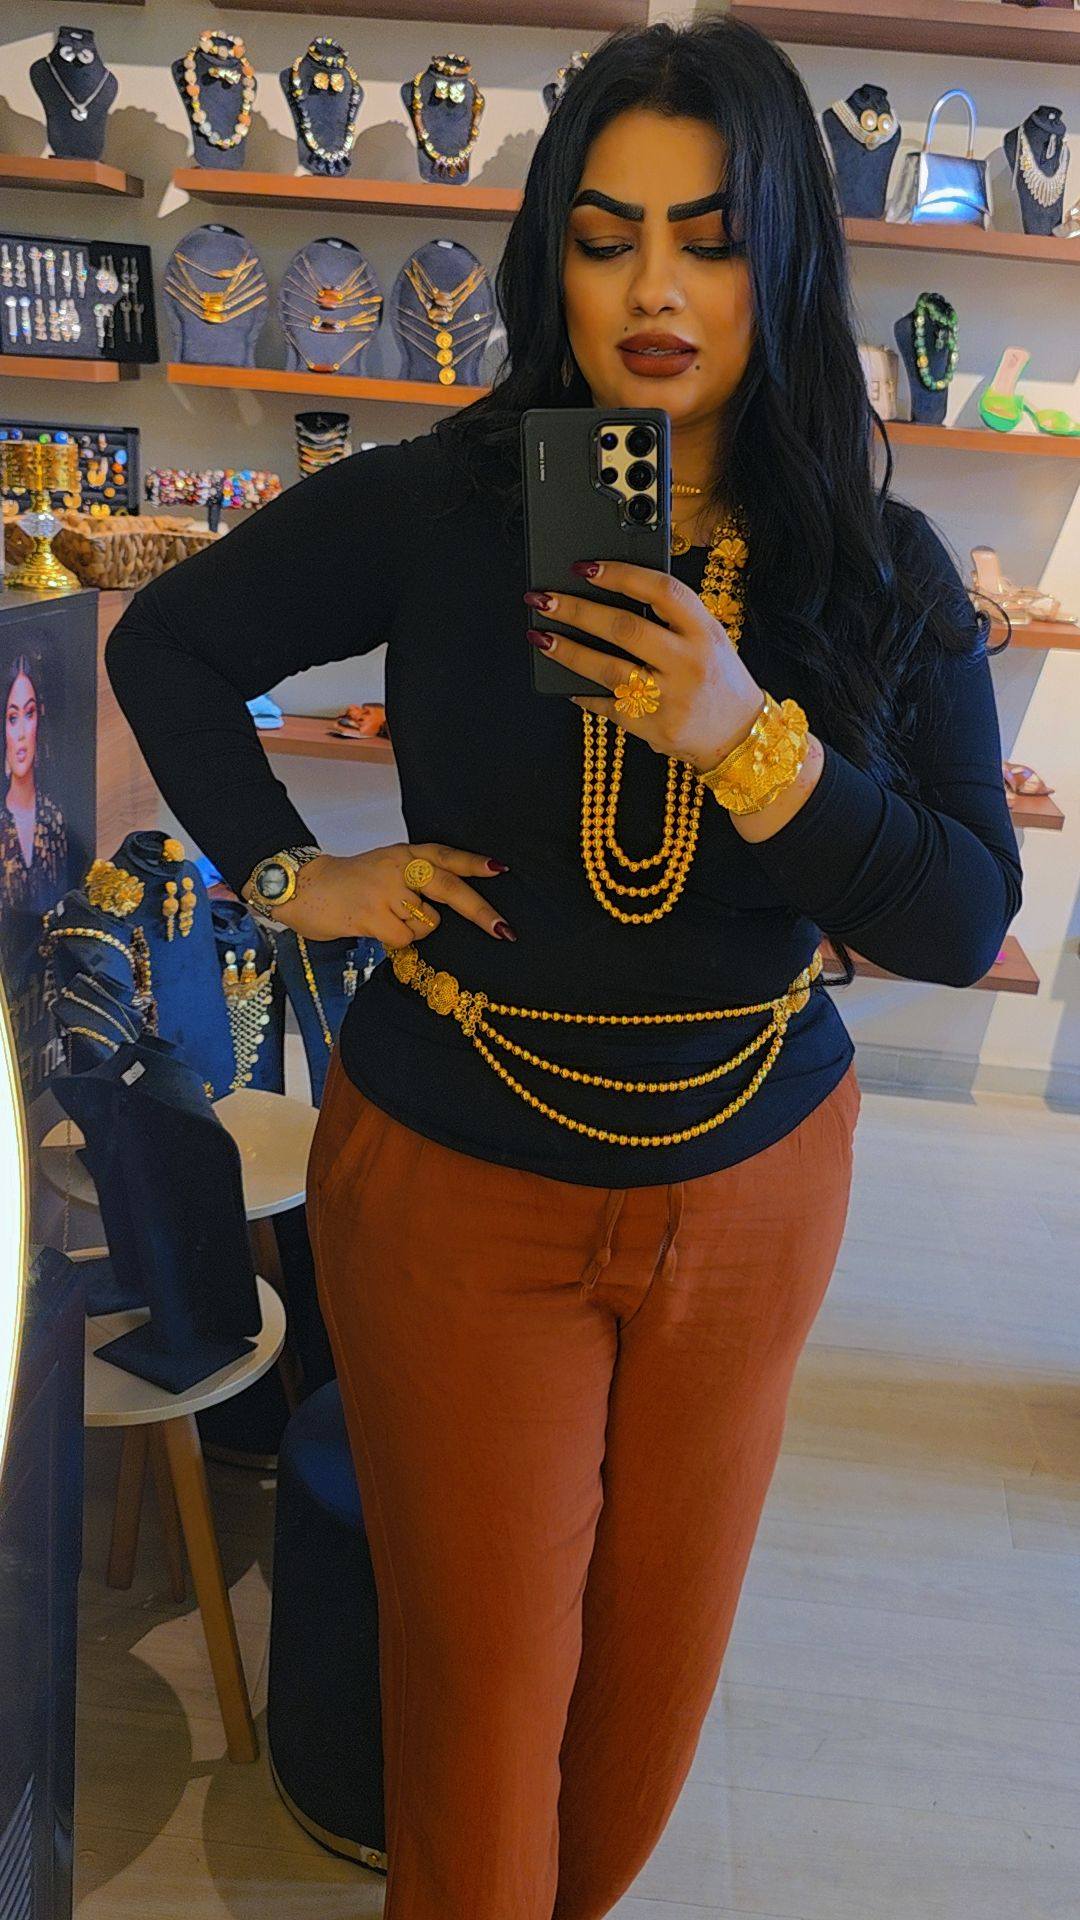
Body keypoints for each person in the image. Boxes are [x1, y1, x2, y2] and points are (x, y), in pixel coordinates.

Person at [105, 17, 1022, 1917]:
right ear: (555, 259)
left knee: (645, 1703)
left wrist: (750, 741)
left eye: (710, 238)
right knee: (480, 1698)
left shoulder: (873, 561)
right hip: (458, 1178)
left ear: (787, 257)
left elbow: (956, 917)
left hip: (750, 1190)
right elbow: (168, 647)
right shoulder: (450, 504)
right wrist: (293, 877)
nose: (655, 292)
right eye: (607, 240)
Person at [0, 652, 67, 991]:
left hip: (51, 989)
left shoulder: (54, 819)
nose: (22, 733)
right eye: (13, 718)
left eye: (29, 714)